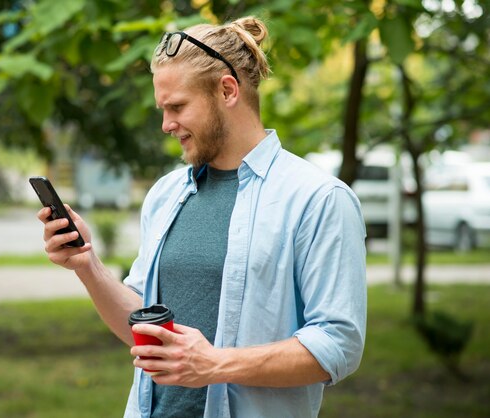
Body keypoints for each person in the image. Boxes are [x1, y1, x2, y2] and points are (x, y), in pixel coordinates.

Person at [39, 16, 367, 418]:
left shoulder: (318, 199)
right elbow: (141, 326)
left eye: (176, 106)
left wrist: (214, 364)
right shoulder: (165, 195)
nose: (165, 125)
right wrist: (87, 264)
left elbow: (338, 345)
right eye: (163, 109)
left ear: (227, 90)